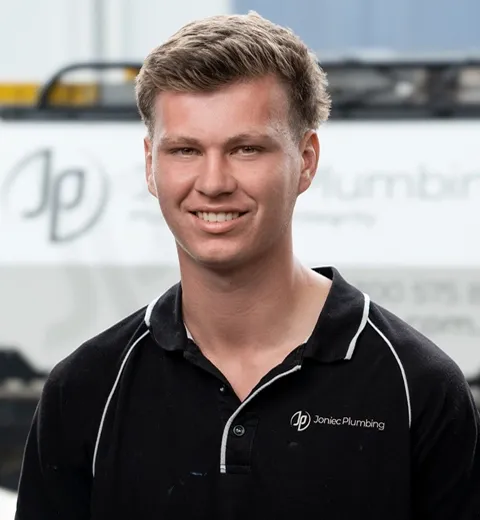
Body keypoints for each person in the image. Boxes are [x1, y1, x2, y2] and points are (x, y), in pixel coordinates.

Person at [15, 12, 480, 520]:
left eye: (246, 149)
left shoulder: (419, 389)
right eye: (185, 150)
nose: (213, 182)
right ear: (150, 164)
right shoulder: (85, 391)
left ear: (306, 160)